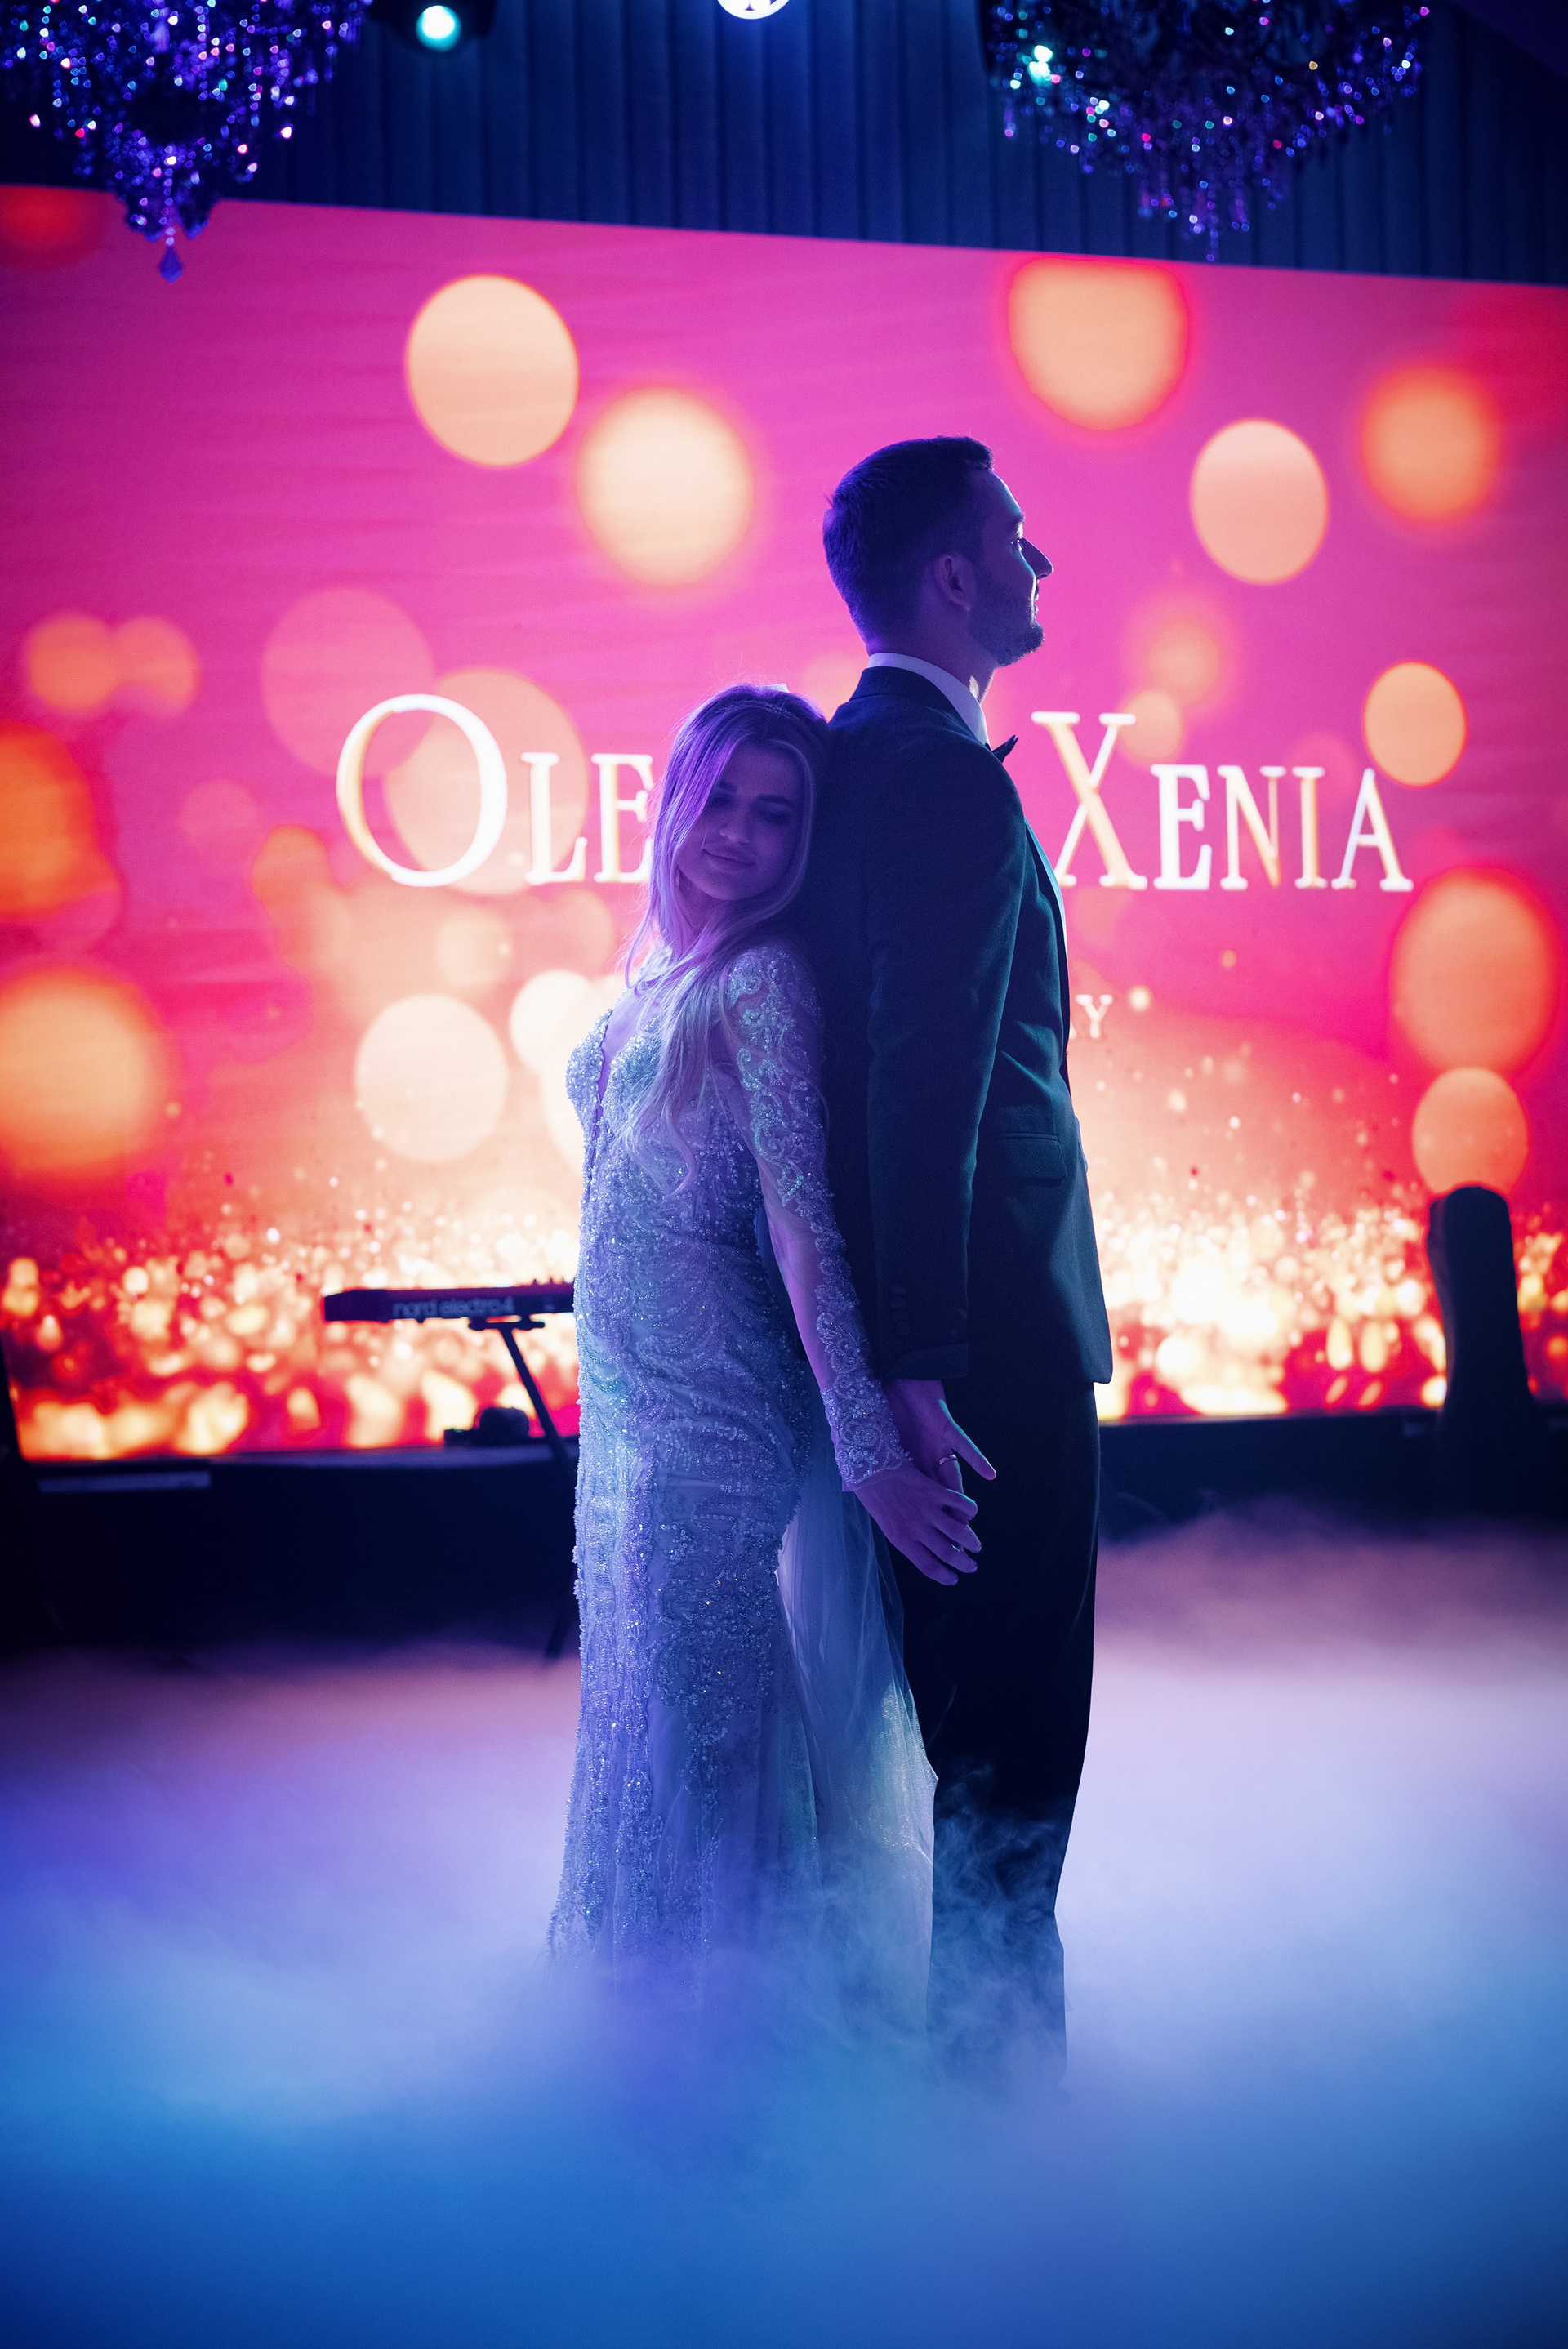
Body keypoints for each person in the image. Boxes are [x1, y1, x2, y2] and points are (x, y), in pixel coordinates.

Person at [547, 684, 975, 2018]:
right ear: (676, 799)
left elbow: (803, 1224)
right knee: (656, 1730)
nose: (740, 832)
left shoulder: (765, 981)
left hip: (721, 1418)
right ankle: (670, 2030)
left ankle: (770, 2046)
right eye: (723, 798)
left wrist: (866, 1447)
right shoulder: (654, 988)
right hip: (630, 1420)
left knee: (716, 1742)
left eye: (778, 813)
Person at [793, 437, 1114, 2069]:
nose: (1038, 561)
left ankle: (956, 2101)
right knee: (1012, 1759)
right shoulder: (943, 781)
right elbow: (922, 1093)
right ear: (950, 577)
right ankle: (1000, 2117)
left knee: (958, 1744)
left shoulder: (845, 761)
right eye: (1017, 536)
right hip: (985, 1348)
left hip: (928, 1341)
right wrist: (917, 1370)